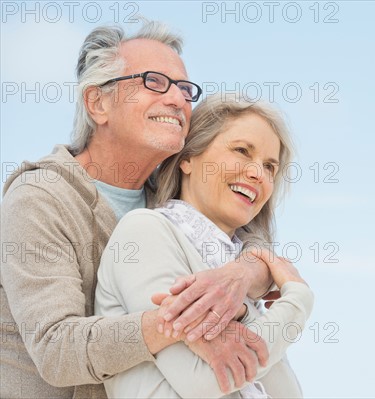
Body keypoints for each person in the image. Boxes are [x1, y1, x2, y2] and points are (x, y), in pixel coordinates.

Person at [0, 21, 274, 398]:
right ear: (98, 103)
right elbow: (57, 349)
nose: (178, 101)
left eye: (184, 89)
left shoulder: (172, 207)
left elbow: (251, 249)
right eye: (154, 82)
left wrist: (244, 273)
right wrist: (182, 323)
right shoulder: (40, 199)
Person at [94, 95, 314, 398]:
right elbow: (206, 381)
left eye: (269, 167)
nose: (257, 174)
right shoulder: (144, 232)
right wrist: (298, 302)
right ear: (188, 157)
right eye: (241, 151)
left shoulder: (239, 273)